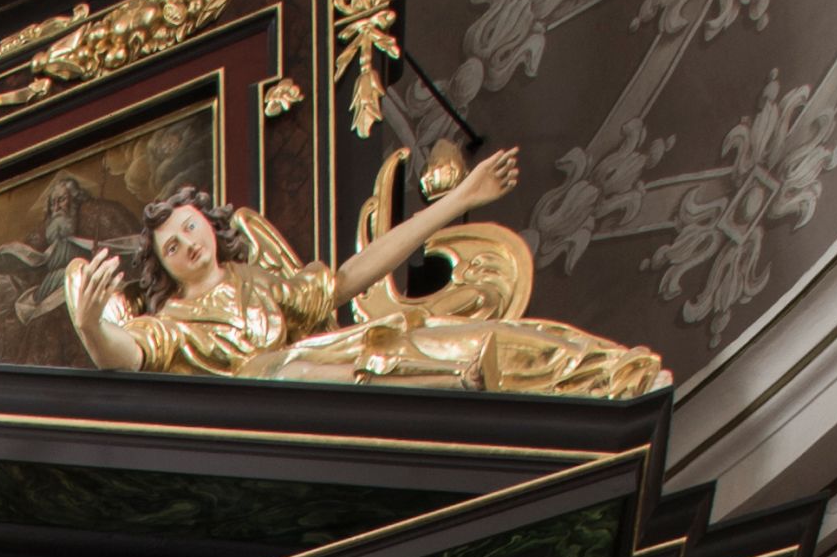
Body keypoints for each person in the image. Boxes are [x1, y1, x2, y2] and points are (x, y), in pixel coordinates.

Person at [67, 153, 665, 396]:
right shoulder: (172, 324)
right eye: (171, 246)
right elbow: (126, 354)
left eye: (189, 227)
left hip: (354, 354)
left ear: (210, 225)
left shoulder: (261, 284)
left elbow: (353, 276)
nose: (186, 244)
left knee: (483, 341)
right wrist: (93, 325)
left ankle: (613, 379)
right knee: (289, 371)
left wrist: (460, 198)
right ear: (165, 267)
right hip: (306, 398)